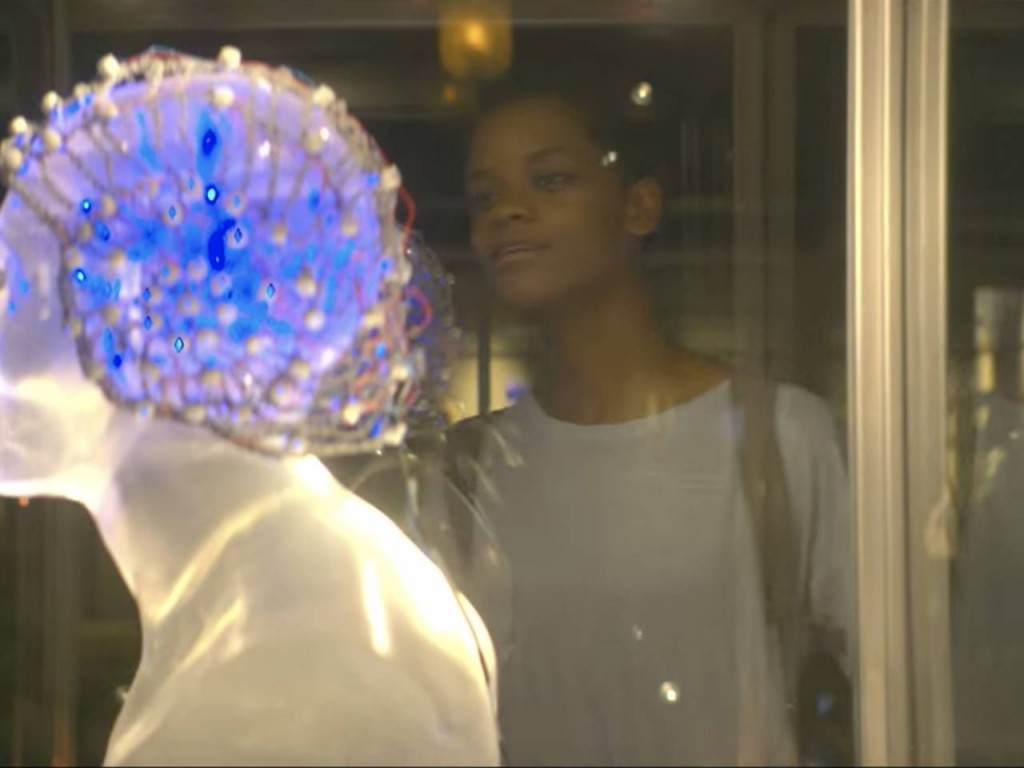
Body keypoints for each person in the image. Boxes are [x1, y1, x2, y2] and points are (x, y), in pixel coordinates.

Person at [448, 72, 854, 766]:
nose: (507, 211)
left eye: (550, 179)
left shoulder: (779, 438)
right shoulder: (471, 470)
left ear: (639, 205)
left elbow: (893, 679)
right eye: (486, 196)